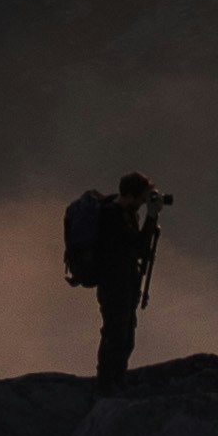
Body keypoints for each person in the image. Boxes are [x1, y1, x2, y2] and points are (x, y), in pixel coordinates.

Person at [60, 164, 169, 386]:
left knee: (125, 336)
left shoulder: (126, 214)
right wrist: (151, 217)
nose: (144, 202)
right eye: (143, 197)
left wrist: (148, 217)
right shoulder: (112, 217)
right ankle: (107, 383)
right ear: (130, 195)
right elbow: (138, 247)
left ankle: (114, 379)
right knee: (115, 334)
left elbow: (138, 248)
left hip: (124, 283)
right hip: (114, 286)